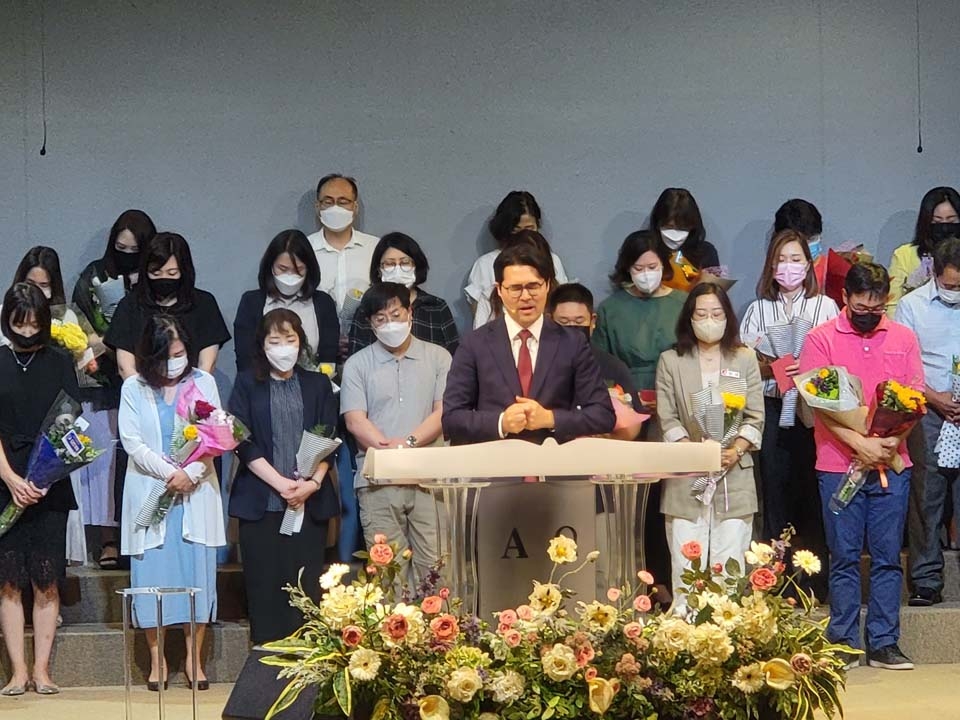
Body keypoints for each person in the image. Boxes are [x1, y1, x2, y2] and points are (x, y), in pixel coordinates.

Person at [799, 263, 924, 670]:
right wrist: (860, 444)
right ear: (845, 298)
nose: (870, 314)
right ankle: (844, 640)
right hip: (838, 465)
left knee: (888, 557)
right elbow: (819, 405)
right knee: (844, 556)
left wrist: (889, 444)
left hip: (892, 461)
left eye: (877, 307)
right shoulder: (820, 339)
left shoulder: (904, 337)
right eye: (861, 307)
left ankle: (885, 642)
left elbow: (914, 398)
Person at [118, 315, 225, 690]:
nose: (175, 362)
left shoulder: (203, 383)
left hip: (195, 492)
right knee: (152, 576)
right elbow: (132, 443)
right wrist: (171, 472)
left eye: (180, 354)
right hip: (152, 490)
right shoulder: (134, 388)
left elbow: (215, 436)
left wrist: (190, 473)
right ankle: (157, 660)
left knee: (197, 575)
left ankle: (195, 661)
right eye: (167, 356)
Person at [228, 310, 339, 644]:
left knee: (305, 587)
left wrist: (311, 484)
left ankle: (306, 657)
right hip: (261, 502)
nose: (283, 348)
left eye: (290, 340)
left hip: (310, 501)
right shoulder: (246, 383)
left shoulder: (318, 384)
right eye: (274, 341)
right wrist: (280, 484)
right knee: (264, 587)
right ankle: (264, 658)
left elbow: (330, 438)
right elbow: (240, 440)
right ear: (262, 346)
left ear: (301, 342)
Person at [739, 229, 838, 593]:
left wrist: (807, 369)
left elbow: (835, 362)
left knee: (811, 492)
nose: (788, 267)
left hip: (813, 413)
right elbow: (744, 364)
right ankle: (776, 584)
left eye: (796, 259)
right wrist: (774, 368)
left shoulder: (825, 306)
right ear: (770, 266)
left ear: (808, 264)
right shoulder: (758, 309)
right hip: (772, 407)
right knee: (776, 493)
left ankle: (816, 583)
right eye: (781, 260)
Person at [655, 283, 763, 606]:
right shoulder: (671, 360)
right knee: (686, 566)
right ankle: (684, 629)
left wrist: (735, 450)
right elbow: (667, 417)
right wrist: (694, 451)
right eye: (701, 314)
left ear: (727, 316)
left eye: (716, 313)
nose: (709, 320)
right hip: (687, 476)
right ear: (689, 318)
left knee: (729, 568)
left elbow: (755, 416)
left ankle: (726, 627)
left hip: (734, 476)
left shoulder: (744, 358)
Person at [443, 244, 615, 445]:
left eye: (533, 286)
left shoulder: (572, 343)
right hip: (495, 459)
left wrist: (550, 418)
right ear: (499, 290)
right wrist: (501, 422)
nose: (525, 297)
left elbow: (603, 415)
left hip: (555, 458)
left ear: (547, 285)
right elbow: (452, 418)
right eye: (515, 288)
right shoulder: (474, 344)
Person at [340, 283, 450, 588]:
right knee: (389, 573)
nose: (390, 324)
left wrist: (409, 443)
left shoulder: (439, 357)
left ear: (410, 312)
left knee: (437, 569)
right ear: (371, 323)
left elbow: (443, 412)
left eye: (396, 314)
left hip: (430, 480)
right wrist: (389, 450)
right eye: (381, 319)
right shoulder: (357, 364)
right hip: (378, 481)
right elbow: (355, 420)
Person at [0, 284, 79, 696]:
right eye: (20, 323)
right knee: (9, 580)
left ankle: (43, 670)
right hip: (5, 480)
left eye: (34, 323)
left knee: (46, 579)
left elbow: (71, 422)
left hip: (50, 481)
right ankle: (18, 671)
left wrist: (45, 475)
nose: (28, 331)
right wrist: (11, 478)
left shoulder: (60, 361)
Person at [72, 209, 157, 568]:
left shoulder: (154, 276)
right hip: (102, 381)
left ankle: (143, 532)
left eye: (134, 249)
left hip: (149, 378)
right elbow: (77, 323)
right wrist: (106, 342)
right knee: (106, 462)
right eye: (121, 248)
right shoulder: (95, 274)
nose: (127, 255)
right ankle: (109, 538)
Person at [895, 237, 960, 607]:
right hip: (929, 409)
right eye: (949, 285)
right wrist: (936, 398)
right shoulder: (912, 305)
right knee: (926, 495)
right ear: (934, 274)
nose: (954, 291)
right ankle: (925, 580)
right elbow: (903, 366)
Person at [105, 232, 230, 380]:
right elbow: (125, 367)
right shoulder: (130, 305)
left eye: (172, 273)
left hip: (192, 388)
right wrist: (141, 391)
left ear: (184, 271)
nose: (164, 279)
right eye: (156, 273)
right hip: (142, 388)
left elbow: (207, 365)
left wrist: (193, 391)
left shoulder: (203, 304)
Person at [593, 230, 687, 396]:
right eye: (638, 268)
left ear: (663, 264)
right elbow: (600, 364)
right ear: (628, 269)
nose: (646, 274)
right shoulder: (610, 308)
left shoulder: (683, 304)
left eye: (652, 267)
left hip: (676, 392)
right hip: (625, 395)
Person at [234, 229, 338, 373]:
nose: (290, 276)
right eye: (283, 269)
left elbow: (329, 358)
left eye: (299, 270)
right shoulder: (251, 302)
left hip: (313, 382)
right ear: (271, 266)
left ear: (309, 269)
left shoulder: (323, 303)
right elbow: (245, 360)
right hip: (262, 382)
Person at [548, 283, 643, 440]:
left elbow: (635, 416)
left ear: (592, 321)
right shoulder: (538, 363)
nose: (572, 328)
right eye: (563, 322)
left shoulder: (613, 367)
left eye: (579, 322)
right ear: (550, 321)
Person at [465, 191, 570, 329]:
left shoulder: (552, 260)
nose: (523, 236)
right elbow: (480, 323)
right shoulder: (485, 265)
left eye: (529, 228)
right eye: (516, 230)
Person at [348, 232, 459, 355]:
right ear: (379, 270)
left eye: (405, 263)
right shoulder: (367, 309)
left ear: (416, 266)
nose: (397, 270)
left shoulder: (436, 307)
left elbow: (454, 357)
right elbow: (356, 358)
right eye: (389, 264)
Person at [307, 173, 379, 355]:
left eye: (343, 202)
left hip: (369, 348)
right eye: (328, 202)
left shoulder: (375, 248)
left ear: (355, 207)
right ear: (318, 207)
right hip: (315, 351)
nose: (335, 208)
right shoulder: (304, 250)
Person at [887, 186, 960, 313]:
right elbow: (892, 304)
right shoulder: (904, 255)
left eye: (951, 220)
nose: (944, 227)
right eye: (937, 222)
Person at [649, 188, 720, 291]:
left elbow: (715, 293)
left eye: (682, 228)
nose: (675, 234)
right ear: (658, 223)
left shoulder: (706, 252)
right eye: (669, 227)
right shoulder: (646, 250)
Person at [774, 199, 826, 286]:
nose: (805, 246)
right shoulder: (777, 273)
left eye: (811, 239)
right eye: (800, 241)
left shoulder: (833, 271)